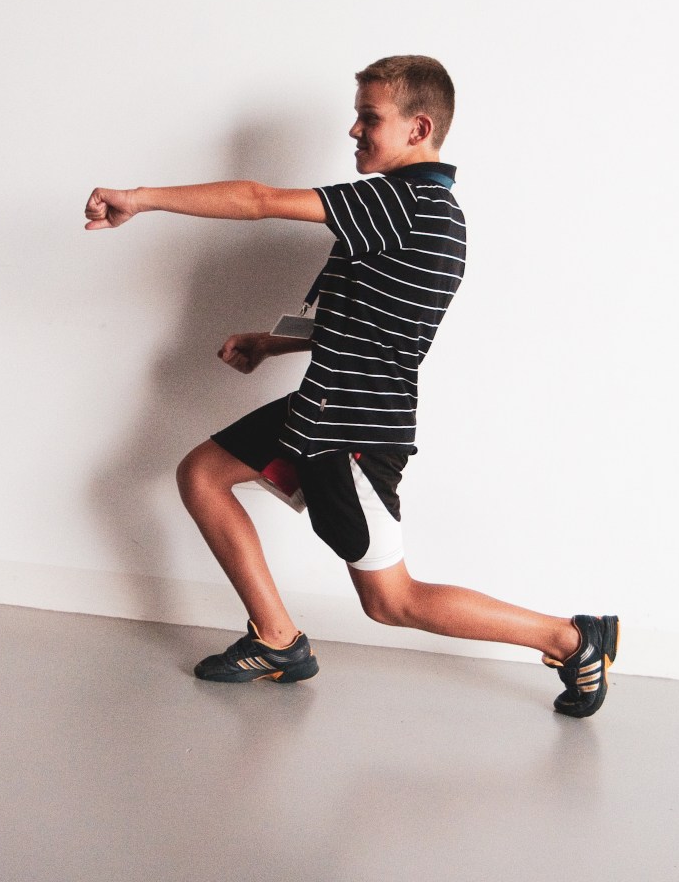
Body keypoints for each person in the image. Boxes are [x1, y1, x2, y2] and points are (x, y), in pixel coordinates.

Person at [84, 55, 619, 718]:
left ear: (418, 129)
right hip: (324, 410)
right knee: (203, 473)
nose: (354, 130)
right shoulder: (423, 209)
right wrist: (273, 342)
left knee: (391, 601)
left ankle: (572, 640)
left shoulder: (403, 201)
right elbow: (373, 324)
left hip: (352, 431)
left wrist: (140, 198)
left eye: (370, 117)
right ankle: (277, 640)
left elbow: (258, 200)